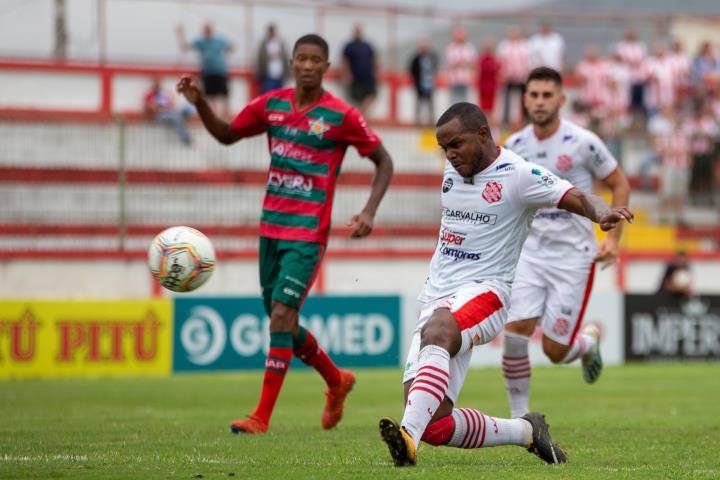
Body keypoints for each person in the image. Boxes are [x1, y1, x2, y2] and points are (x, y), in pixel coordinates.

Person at [378, 102, 632, 467]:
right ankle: (526, 431)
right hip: (437, 297)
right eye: (443, 148)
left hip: (487, 292)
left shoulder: (518, 174)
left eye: (456, 145)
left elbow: (571, 194)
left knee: (438, 332)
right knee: (434, 423)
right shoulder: (453, 172)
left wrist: (600, 211)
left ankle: (405, 440)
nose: (449, 155)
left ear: (483, 134)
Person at [176, 34, 394, 434]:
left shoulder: (340, 115)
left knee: (280, 317)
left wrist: (368, 212)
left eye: (316, 60)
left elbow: (384, 161)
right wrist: (200, 103)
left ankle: (260, 417)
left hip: (308, 231)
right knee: (284, 324)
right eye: (302, 59)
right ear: (291, 62)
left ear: (328, 68)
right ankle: (336, 380)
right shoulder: (271, 105)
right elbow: (227, 135)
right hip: (270, 229)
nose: (308, 66)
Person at [501, 67, 631, 419]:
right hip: (529, 253)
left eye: (547, 95)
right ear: (525, 98)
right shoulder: (514, 145)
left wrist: (614, 240)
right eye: (534, 95)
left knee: (555, 351)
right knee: (516, 331)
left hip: (574, 257)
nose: (539, 102)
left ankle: (587, 343)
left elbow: (620, 184)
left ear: (561, 99)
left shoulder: (584, 142)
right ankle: (520, 420)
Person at [176, 22, 233, 118]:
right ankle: (215, 116)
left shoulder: (220, 40)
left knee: (224, 95)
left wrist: (224, 57)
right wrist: (180, 34)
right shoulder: (201, 41)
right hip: (208, 73)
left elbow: (231, 47)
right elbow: (185, 47)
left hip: (220, 71)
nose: (207, 30)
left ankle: (226, 116)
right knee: (211, 96)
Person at [143, 77, 194, 146]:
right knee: (177, 117)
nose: (158, 85)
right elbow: (150, 108)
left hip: (169, 114)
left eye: (158, 82)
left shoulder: (165, 94)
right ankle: (185, 137)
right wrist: (160, 107)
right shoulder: (149, 95)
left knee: (180, 113)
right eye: (156, 82)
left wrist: (162, 107)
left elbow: (172, 105)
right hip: (158, 117)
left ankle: (184, 115)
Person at [341, 24, 378, 116]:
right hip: (355, 77)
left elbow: (374, 59)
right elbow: (345, 61)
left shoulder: (367, 45)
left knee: (372, 95)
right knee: (356, 99)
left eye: (359, 30)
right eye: (356, 30)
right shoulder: (349, 46)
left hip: (368, 76)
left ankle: (362, 115)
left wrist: (376, 71)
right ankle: (360, 117)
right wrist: (347, 74)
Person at [497, 25, 529, 127]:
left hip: (522, 78)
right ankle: (506, 122)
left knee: (525, 99)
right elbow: (500, 62)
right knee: (506, 101)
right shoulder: (504, 45)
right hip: (508, 78)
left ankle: (525, 120)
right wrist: (504, 74)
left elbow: (527, 61)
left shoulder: (525, 45)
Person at [408, 38, 439, 126]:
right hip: (419, 84)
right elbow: (412, 70)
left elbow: (435, 68)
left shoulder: (432, 57)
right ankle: (418, 120)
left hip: (430, 84)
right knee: (419, 103)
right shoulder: (416, 58)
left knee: (430, 104)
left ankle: (431, 120)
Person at [444, 26, 476, 104]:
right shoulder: (450, 47)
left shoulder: (469, 47)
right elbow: (449, 63)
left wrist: (461, 63)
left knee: (466, 102)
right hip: (453, 80)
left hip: (465, 79)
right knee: (453, 102)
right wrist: (461, 63)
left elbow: (472, 63)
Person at [256, 23, 290, 94]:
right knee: (267, 96)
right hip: (267, 75)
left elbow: (285, 57)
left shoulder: (280, 43)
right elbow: (260, 59)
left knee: (279, 96)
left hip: (280, 75)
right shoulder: (263, 44)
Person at [477, 39, 501, 123]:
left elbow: (499, 73)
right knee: (483, 109)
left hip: (492, 88)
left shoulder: (495, 60)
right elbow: (477, 73)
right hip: (483, 88)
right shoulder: (481, 59)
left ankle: (491, 127)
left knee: (491, 110)